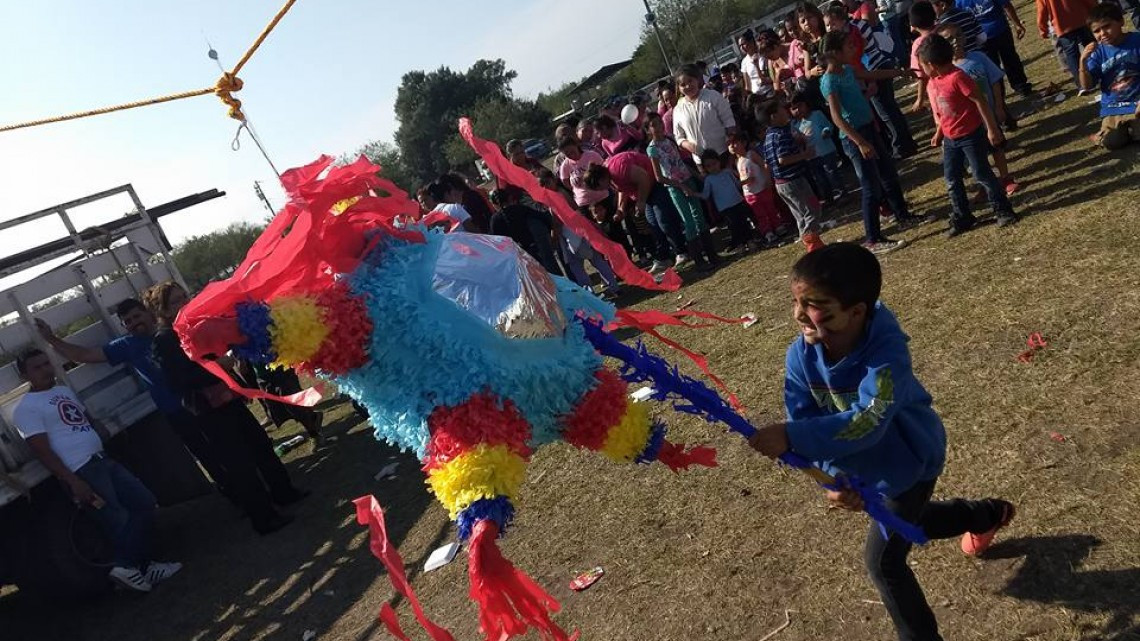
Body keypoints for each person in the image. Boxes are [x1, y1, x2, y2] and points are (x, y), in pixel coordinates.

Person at [747, 243, 1015, 641]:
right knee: (913, 521)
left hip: (909, 464)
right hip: (864, 472)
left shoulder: (887, 355)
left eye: (816, 305)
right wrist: (837, 480)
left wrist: (790, 435)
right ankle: (984, 514)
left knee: (884, 562)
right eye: (796, 302)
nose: (800, 314)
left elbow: (867, 422)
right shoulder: (799, 357)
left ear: (856, 312)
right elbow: (803, 419)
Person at [34, 300, 238, 504]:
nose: (133, 323)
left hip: (201, 399)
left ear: (148, 313)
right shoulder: (128, 345)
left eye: (136, 316)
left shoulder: (170, 332)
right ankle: (235, 497)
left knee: (229, 446)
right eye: (127, 321)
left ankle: (250, 484)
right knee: (206, 455)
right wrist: (50, 338)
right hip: (175, 412)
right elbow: (84, 355)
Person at [13, 348, 182, 592]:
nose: (45, 370)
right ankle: (141, 566)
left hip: (102, 459)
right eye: (36, 368)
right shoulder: (26, 409)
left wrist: (97, 428)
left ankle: (131, 566)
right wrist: (72, 481)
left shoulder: (62, 390)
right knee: (117, 519)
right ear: (24, 376)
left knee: (144, 502)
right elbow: (43, 452)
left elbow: (82, 417)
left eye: (46, 363)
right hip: (81, 470)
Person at [147, 281, 304, 536]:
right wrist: (218, 366)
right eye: (176, 301)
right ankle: (263, 517)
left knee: (260, 444)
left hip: (227, 397)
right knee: (239, 464)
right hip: (207, 410)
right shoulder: (164, 339)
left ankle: (284, 493)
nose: (184, 303)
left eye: (184, 296)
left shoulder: (196, 325)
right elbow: (178, 380)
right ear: (163, 311)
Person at [820, 29, 918, 253]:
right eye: (849, 46)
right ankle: (873, 239)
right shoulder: (829, 81)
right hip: (855, 138)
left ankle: (903, 215)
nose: (854, 48)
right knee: (871, 187)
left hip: (869, 129)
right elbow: (836, 117)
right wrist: (861, 143)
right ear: (835, 52)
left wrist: (900, 72)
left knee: (888, 174)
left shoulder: (848, 70)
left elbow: (874, 75)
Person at [918, 34, 1020, 235]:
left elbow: (980, 101)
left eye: (922, 66)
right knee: (952, 178)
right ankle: (962, 215)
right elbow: (941, 110)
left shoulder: (958, 77)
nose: (922, 70)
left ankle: (1003, 210)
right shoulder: (936, 80)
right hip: (950, 139)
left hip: (970, 136)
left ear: (931, 64)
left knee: (982, 173)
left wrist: (991, 129)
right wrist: (939, 132)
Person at [825, 2, 921, 158]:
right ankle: (905, 143)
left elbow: (863, 55)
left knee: (886, 112)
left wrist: (872, 80)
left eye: (831, 24)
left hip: (874, 69)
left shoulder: (852, 32)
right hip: (875, 68)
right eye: (827, 25)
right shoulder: (855, 27)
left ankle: (901, 146)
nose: (829, 28)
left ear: (842, 20)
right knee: (889, 109)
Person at [937, 23, 1022, 193]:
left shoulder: (978, 57)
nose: (955, 42)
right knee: (976, 157)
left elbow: (995, 81)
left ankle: (1005, 178)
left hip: (988, 115)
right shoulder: (945, 72)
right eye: (949, 39)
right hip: (967, 124)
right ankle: (986, 186)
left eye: (957, 36)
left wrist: (999, 106)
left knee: (996, 146)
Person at [584, 151, 690, 273]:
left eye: (598, 188)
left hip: (655, 183)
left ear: (601, 180)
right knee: (653, 225)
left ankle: (682, 251)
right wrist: (621, 208)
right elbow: (622, 189)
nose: (601, 190)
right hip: (646, 190)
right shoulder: (611, 177)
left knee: (663, 221)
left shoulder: (617, 169)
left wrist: (641, 201)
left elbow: (643, 177)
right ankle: (664, 257)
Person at [645, 112, 721, 269]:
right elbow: (659, 177)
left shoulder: (669, 140)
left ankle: (712, 255)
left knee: (699, 217)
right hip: (675, 187)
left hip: (688, 180)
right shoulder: (652, 149)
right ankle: (699, 261)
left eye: (660, 123)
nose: (659, 127)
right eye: (654, 125)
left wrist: (697, 176)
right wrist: (680, 186)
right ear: (648, 129)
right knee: (689, 222)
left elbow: (680, 163)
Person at [535, 169, 622, 298]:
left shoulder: (558, 195)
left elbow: (558, 220)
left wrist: (554, 236)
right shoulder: (561, 192)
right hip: (578, 229)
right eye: (543, 185)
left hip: (573, 233)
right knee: (592, 260)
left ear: (553, 180)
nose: (546, 187)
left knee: (581, 263)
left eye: (547, 183)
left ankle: (596, 290)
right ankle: (611, 286)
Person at [762, 102, 828, 252]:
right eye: (781, 109)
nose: (786, 111)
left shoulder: (768, 136)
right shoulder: (781, 134)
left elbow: (767, 162)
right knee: (812, 209)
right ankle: (812, 242)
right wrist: (804, 155)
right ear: (774, 116)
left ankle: (809, 241)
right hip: (793, 179)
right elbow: (782, 159)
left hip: (781, 183)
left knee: (800, 214)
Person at [1080, 2, 1140, 149]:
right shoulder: (1097, 53)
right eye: (1097, 31)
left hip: (1138, 103)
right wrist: (1082, 62)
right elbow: (1087, 86)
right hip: (1114, 107)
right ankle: (1103, 134)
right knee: (1112, 143)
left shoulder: (1136, 41)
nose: (1102, 33)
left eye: (1107, 26)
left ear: (1121, 21)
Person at [686, 150, 758, 253]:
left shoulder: (727, 172)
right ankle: (740, 244)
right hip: (725, 208)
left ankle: (750, 241)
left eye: (714, 163)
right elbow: (706, 195)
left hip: (738, 201)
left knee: (743, 222)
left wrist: (746, 181)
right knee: (734, 226)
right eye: (709, 166)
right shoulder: (709, 180)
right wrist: (693, 193)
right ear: (705, 168)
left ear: (719, 162)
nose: (713, 167)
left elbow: (737, 184)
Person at [958, 0, 1033, 96]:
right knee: (1007, 60)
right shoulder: (959, 2)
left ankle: (1012, 89)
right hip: (989, 34)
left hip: (993, 33)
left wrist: (1017, 24)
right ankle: (1014, 88)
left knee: (1000, 63)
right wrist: (1017, 24)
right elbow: (1007, 6)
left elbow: (1006, 5)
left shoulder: (959, 2)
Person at [672, 63, 738, 168]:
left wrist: (731, 140)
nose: (688, 86)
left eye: (690, 81)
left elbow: (728, 120)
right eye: (683, 85)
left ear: (697, 79)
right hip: (701, 162)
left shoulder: (713, 96)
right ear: (678, 87)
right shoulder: (678, 109)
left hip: (723, 154)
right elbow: (678, 137)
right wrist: (688, 145)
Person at [489, 185, 562, 275]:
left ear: (494, 204)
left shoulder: (495, 220)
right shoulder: (521, 209)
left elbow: (498, 243)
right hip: (537, 248)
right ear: (509, 198)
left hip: (521, 257)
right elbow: (544, 218)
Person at [729, 131, 786, 246]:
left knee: (770, 208)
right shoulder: (736, 161)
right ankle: (768, 231)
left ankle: (778, 225)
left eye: (735, 143)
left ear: (743, 143)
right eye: (731, 144)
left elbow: (764, 165)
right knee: (760, 213)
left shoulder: (751, 154)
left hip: (762, 187)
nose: (733, 146)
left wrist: (768, 179)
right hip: (750, 193)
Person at [789, 92, 847, 202]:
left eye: (800, 106)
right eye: (793, 108)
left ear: (806, 104)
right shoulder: (794, 125)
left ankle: (842, 192)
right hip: (811, 155)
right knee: (820, 178)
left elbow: (828, 126)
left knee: (832, 173)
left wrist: (826, 131)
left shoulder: (816, 115)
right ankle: (829, 197)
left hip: (825, 151)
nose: (797, 110)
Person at [1036, 0, 1098, 88]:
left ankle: (1081, 84)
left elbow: (1042, 9)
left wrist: (1042, 28)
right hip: (1081, 17)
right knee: (1092, 46)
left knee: (1071, 54)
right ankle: (1102, 69)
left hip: (1062, 25)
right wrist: (1095, 9)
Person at [910, 1, 942, 112]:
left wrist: (920, 99)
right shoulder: (944, 30)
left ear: (913, 24)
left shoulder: (919, 44)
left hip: (937, 88)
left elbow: (921, 75)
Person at [740, 30, 778, 98]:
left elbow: (771, 75)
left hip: (769, 90)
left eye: (743, 44)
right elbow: (747, 85)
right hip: (757, 94)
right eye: (740, 46)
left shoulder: (763, 54)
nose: (742, 47)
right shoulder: (744, 62)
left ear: (751, 42)